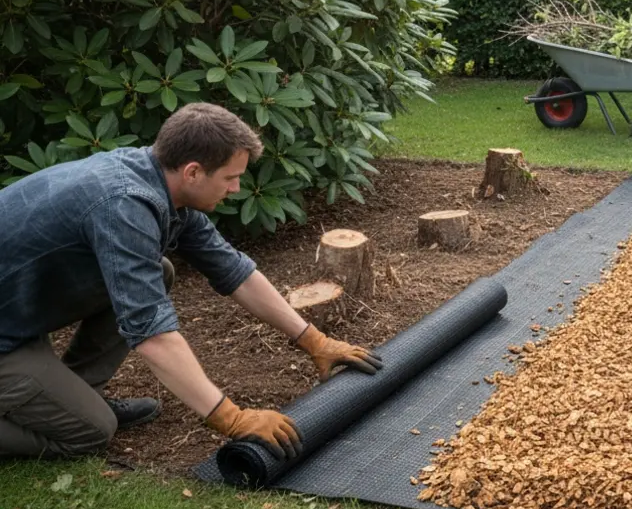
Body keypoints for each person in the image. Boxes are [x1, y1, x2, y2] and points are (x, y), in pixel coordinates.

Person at [0, 103, 383, 459]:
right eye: (230, 178)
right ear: (193, 172)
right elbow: (152, 334)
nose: (236, 188)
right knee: (92, 431)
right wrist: (231, 418)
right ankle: (70, 411)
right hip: (6, 338)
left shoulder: (156, 183)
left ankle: (77, 393)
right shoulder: (124, 207)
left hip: (15, 315)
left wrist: (315, 342)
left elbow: (234, 271)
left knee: (161, 270)